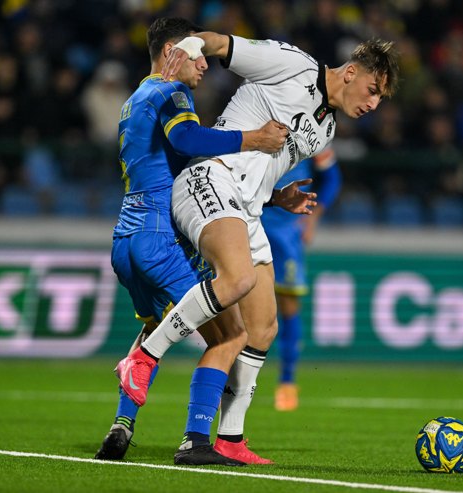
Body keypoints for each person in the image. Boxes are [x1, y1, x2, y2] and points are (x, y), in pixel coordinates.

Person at [115, 31, 399, 464]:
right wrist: (190, 47)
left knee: (263, 328)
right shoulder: (291, 63)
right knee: (238, 279)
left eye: (381, 99)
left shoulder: (325, 129)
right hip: (209, 178)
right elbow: (217, 42)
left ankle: (222, 438)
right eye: (373, 91)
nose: (374, 104)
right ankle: (144, 357)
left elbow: (262, 167)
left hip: (246, 206)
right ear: (352, 71)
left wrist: (277, 195)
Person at [94, 17, 297, 465]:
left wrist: (272, 196)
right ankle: (197, 441)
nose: (205, 65)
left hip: (125, 240)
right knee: (231, 335)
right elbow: (186, 139)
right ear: (172, 51)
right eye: (198, 54)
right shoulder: (171, 92)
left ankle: (121, 425)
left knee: (154, 328)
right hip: (159, 238)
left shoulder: (134, 100)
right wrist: (254, 139)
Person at [261, 147, 341, 411]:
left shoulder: (315, 133)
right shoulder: (254, 120)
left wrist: (313, 219)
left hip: (287, 231)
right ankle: (230, 381)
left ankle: (287, 382)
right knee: (238, 304)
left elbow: (332, 178)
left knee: (288, 307)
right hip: (252, 222)